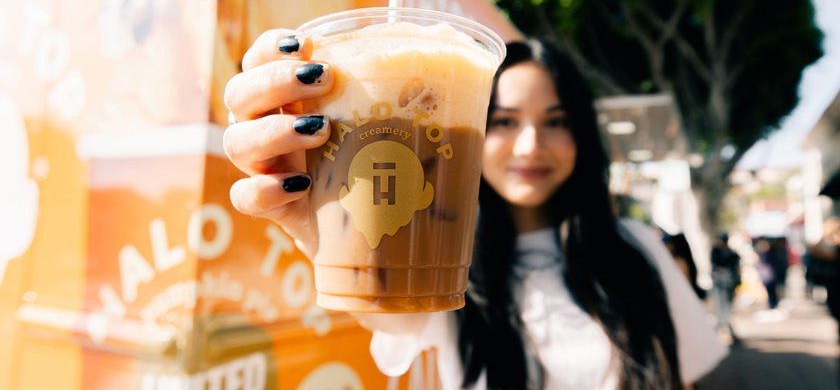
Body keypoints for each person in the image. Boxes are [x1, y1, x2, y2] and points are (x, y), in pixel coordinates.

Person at [223, 33, 726, 389]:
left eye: (556, 123)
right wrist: (319, 230)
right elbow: (382, 305)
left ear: (583, 138)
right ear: (472, 126)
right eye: (504, 122)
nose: (531, 147)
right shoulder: (443, 260)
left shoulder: (636, 250)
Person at [710, 233, 740, 344]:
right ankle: (720, 332)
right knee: (720, 309)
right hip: (720, 284)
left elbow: (735, 267)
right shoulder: (717, 252)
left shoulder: (731, 253)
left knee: (726, 309)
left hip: (728, 284)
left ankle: (726, 332)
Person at [662, 233, 706, 300]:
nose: (665, 247)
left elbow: (683, 283)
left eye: (667, 244)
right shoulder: (676, 261)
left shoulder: (679, 262)